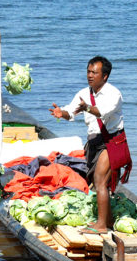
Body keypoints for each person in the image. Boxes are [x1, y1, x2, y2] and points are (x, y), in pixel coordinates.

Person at [50, 56, 124, 233]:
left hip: (112, 141)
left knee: (100, 180)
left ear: (105, 76)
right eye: (88, 72)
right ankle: (108, 222)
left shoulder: (114, 94)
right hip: (93, 142)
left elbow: (100, 112)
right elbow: (71, 112)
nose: (90, 75)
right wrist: (63, 113)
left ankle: (101, 226)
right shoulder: (83, 93)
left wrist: (87, 108)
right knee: (98, 182)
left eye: (94, 72)